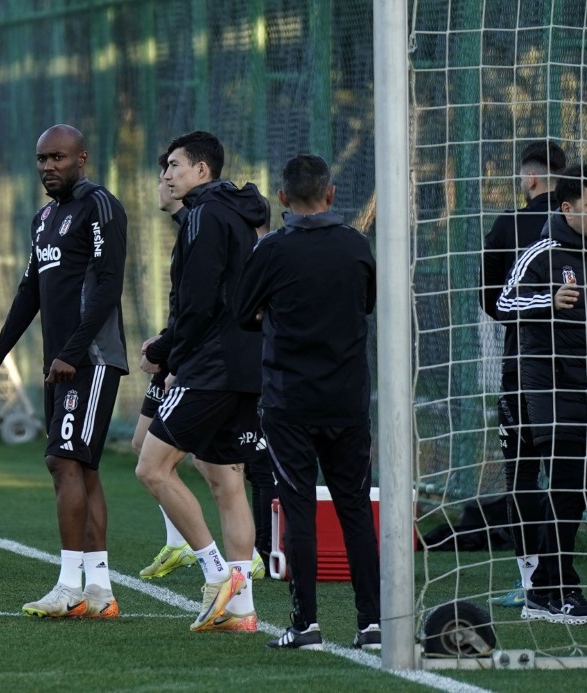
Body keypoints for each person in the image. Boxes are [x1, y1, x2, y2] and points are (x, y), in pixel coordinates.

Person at [0, 124, 128, 619]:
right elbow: (29, 294)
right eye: (41, 159)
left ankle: (69, 586)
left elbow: (107, 285)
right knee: (82, 468)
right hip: (59, 364)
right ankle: (99, 590)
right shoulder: (43, 219)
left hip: (91, 360)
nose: (47, 167)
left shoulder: (100, 206)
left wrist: (74, 352)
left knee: (62, 462)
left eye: (57, 158)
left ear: (82, 157)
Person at [236, 154, 380, 650]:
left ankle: (306, 624)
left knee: (298, 510)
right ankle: (372, 624)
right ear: (332, 193)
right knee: (355, 508)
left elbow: (241, 312)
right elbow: (365, 304)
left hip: (289, 402)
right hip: (346, 401)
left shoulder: (273, 250)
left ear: (282, 199)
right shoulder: (356, 246)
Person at [135, 131, 268, 633]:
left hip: (210, 366)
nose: (166, 174)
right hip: (244, 366)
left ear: (202, 171)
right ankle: (242, 608)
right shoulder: (239, 212)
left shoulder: (204, 215)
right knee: (224, 481)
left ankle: (216, 575)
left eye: (174, 165)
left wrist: (167, 350)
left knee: (151, 466)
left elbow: (199, 298)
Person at [497, 164, 587, 625]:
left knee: (567, 490)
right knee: (571, 480)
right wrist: (550, 301)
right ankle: (557, 592)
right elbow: (505, 302)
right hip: (552, 390)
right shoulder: (541, 252)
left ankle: (545, 592)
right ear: (567, 208)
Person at [479, 141, 565, 606]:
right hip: (584, 369)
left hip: (525, 369)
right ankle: (562, 576)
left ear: (530, 179)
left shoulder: (511, 224)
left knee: (523, 473)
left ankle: (533, 580)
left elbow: (492, 302)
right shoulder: (586, 225)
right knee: (580, 471)